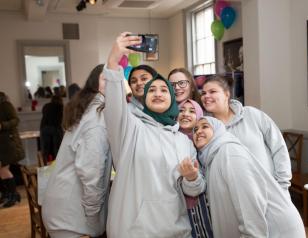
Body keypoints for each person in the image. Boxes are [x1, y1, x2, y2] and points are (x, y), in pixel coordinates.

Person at [104, 32, 205, 238]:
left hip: (177, 230)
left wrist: (192, 178)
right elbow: (114, 106)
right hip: (134, 230)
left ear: (172, 100)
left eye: (164, 90)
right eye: (152, 91)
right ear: (145, 99)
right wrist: (113, 62)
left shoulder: (183, 141)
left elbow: (194, 190)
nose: (158, 93)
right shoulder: (130, 128)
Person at [193, 116, 306, 238]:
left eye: (205, 126)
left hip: (277, 230)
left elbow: (250, 209)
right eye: (195, 130)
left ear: (218, 131)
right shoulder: (211, 159)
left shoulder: (230, 153)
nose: (198, 131)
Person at [42, 64, 112, 238]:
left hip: (62, 208)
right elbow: (91, 173)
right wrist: (94, 219)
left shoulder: (88, 107)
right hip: (72, 217)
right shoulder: (97, 116)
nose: (113, 83)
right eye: (106, 79)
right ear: (95, 84)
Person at [201, 76, 292, 195]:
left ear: (227, 94)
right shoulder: (207, 130)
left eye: (212, 91)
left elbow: (279, 148)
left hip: (272, 192)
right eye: (203, 93)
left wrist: (282, 186)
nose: (206, 96)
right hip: (236, 200)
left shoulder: (252, 115)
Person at [177, 99, 213, 238]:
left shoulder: (206, 139)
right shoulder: (169, 139)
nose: (186, 114)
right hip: (177, 204)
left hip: (206, 202)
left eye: (192, 111)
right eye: (181, 110)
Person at [0, 92, 24, 208]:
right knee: (2, 170)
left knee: (3, 169)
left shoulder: (5, 105)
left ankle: (13, 195)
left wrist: (2, 125)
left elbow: (15, 120)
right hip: (3, 145)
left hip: (9, 144)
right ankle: (8, 194)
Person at [40, 95, 64, 164]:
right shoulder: (60, 107)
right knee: (57, 150)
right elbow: (61, 120)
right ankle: (57, 167)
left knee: (46, 150)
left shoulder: (46, 106)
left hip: (44, 128)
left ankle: (46, 166)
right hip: (55, 129)